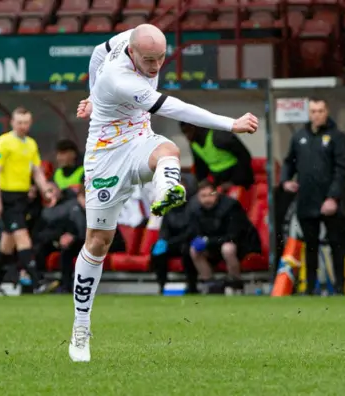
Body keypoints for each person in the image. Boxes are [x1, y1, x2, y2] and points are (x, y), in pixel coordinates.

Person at [71, 24, 258, 362]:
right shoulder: (119, 77)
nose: (156, 67)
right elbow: (176, 108)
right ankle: (81, 327)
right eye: (149, 61)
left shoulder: (128, 40)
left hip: (140, 139)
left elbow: (97, 51)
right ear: (132, 53)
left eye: (160, 59)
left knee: (169, 150)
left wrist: (93, 94)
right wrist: (230, 123)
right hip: (105, 156)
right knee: (98, 242)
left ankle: (166, 189)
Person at [281, 97, 345, 295]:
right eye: (313, 111)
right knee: (310, 245)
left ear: (327, 112)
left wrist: (333, 198)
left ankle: (339, 287)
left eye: (320, 111)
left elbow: (341, 170)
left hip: (330, 201)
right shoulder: (299, 137)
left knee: (336, 244)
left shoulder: (337, 137)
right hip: (307, 199)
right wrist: (286, 180)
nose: (316, 115)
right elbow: (288, 162)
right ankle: (310, 287)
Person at [0, 107, 57, 293]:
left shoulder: (31, 144)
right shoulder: (3, 143)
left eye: (26, 122)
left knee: (7, 244)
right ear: (12, 122)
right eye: (19, 122)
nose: (22, 126)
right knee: (22, 236)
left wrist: (46, 191)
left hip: (22, 198)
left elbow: (37, 171)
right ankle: (37, 282)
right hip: (7, 197)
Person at [186, 180, 262, 295]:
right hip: (214, 245)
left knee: (228, 248)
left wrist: (207, 241)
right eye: (203, 196)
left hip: (241, 245)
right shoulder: (194, 208)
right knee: (194, 250)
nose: (207, 199)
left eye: (210, 195)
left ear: (217, 194)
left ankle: (235, 282)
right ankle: (209, 283)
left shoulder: (231, 206)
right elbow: (194, 231)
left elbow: (234, 235)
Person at [181, 122, 254, 190]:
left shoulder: (220, 137)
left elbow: (245, 157)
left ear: (195, 127)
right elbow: (200, 166)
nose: (187, 136)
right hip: (218, 181)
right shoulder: (193, 144)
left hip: (239, 180)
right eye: (184, 133)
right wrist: (202, 181)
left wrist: (234, 181)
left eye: (188, 131)